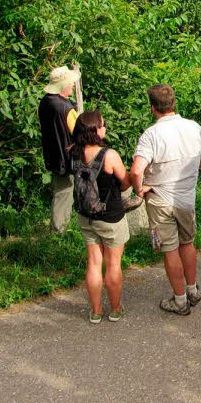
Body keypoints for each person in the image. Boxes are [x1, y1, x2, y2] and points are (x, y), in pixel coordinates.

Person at [130, 84, 201, 315]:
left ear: (153, 108)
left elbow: (136, 171)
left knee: (170, 249)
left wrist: (140, 190)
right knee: (187, 243)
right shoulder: (195, 128)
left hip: (159, 200)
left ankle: (179, 301)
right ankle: (192, 290)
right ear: (174, 103)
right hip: (186, 198)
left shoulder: (151, 134)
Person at [72, 111, 131, 322]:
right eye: (103, 125)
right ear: (95, 130)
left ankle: (96, 311)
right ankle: (115, 309)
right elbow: (125, 181)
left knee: (93, 263)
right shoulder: (109, 155)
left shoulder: (73, 152)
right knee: (113, 264)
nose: (105, 128)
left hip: (86, 216)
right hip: (111, 217)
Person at [38, 65, 81, 233]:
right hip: (67, 157)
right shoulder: (65, 108)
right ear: (64, 86)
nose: (72, 85)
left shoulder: (46, 102)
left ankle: (60, 228)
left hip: (53, 154)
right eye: (70, 82)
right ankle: (59, 231)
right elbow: (79, 132)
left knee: (60, 191)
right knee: (64, 193)